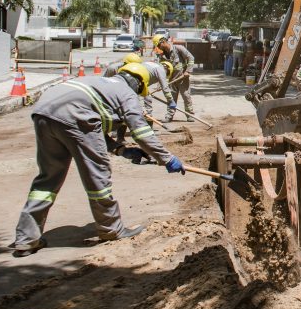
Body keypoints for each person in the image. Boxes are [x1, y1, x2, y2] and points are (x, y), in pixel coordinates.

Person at [10, 62, 186, 256]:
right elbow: (142, 133)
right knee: (98, 176)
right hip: (74, 116)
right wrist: (167, 158)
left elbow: (89, 129)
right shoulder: (127, 94)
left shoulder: (100, 83)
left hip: (44, 113)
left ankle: (26, 238)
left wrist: (121, 149)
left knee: (48, 177)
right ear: (140, 84)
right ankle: (111, 229)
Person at [153, 35, 194, 122]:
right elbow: (161, 70)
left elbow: (191, 58)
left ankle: (189, 115)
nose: (158, 48)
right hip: (172, 80)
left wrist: (188, 71)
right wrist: (159, 84)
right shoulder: (162, 56)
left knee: (186, 96)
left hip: (182, 78)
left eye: (158, 45)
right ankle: (169, 116)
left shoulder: (178, 49)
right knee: (171, 98)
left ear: (163, 42)